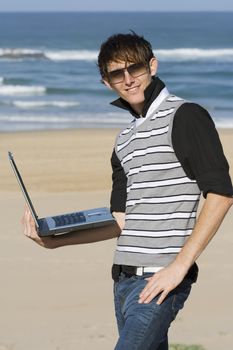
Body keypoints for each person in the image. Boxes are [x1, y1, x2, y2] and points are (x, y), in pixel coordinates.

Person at [22, 32, 233, 350]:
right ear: (106, 82)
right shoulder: (124, 140)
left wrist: (179, 266)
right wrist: (55, 242)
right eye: (116, 73)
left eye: (134, 68)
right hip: (122, 283)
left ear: (152, 66)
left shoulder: (185, 116)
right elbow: (121, 221)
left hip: (160, 281)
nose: (128, 79)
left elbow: (221, 194)